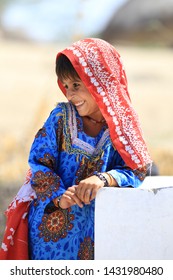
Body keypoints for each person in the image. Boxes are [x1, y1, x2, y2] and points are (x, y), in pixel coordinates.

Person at [0, 38, 152, 260]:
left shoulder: (123, 125)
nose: (70, 95)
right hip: (50, 236)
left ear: (100, 82)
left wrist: (103, 178)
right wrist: (60, 197)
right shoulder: (60, 118)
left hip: (95, 237)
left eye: (77, 85)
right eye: (66, 86)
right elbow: (38, 164)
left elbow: (137, 168)